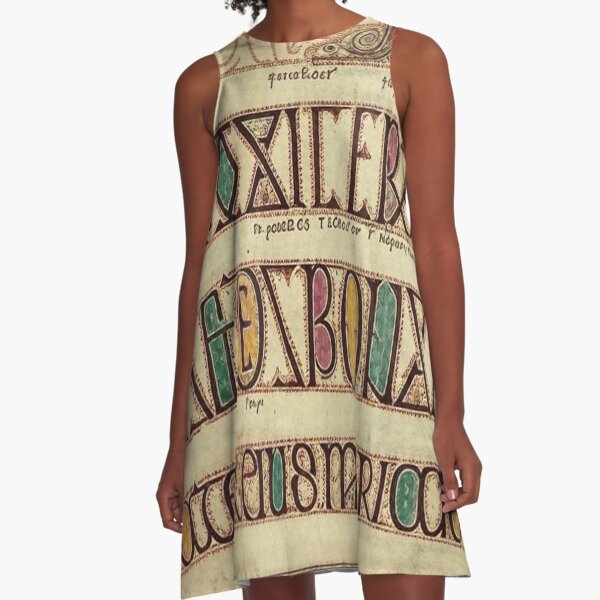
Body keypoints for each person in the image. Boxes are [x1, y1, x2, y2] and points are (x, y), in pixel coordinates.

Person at [157, 1, 483, 598]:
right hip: (259, 401)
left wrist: (452, 414)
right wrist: (180, 441)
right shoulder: (207, 85)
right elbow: (202, 273)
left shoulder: (410, 59)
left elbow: (437, 245)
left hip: (384, 386)